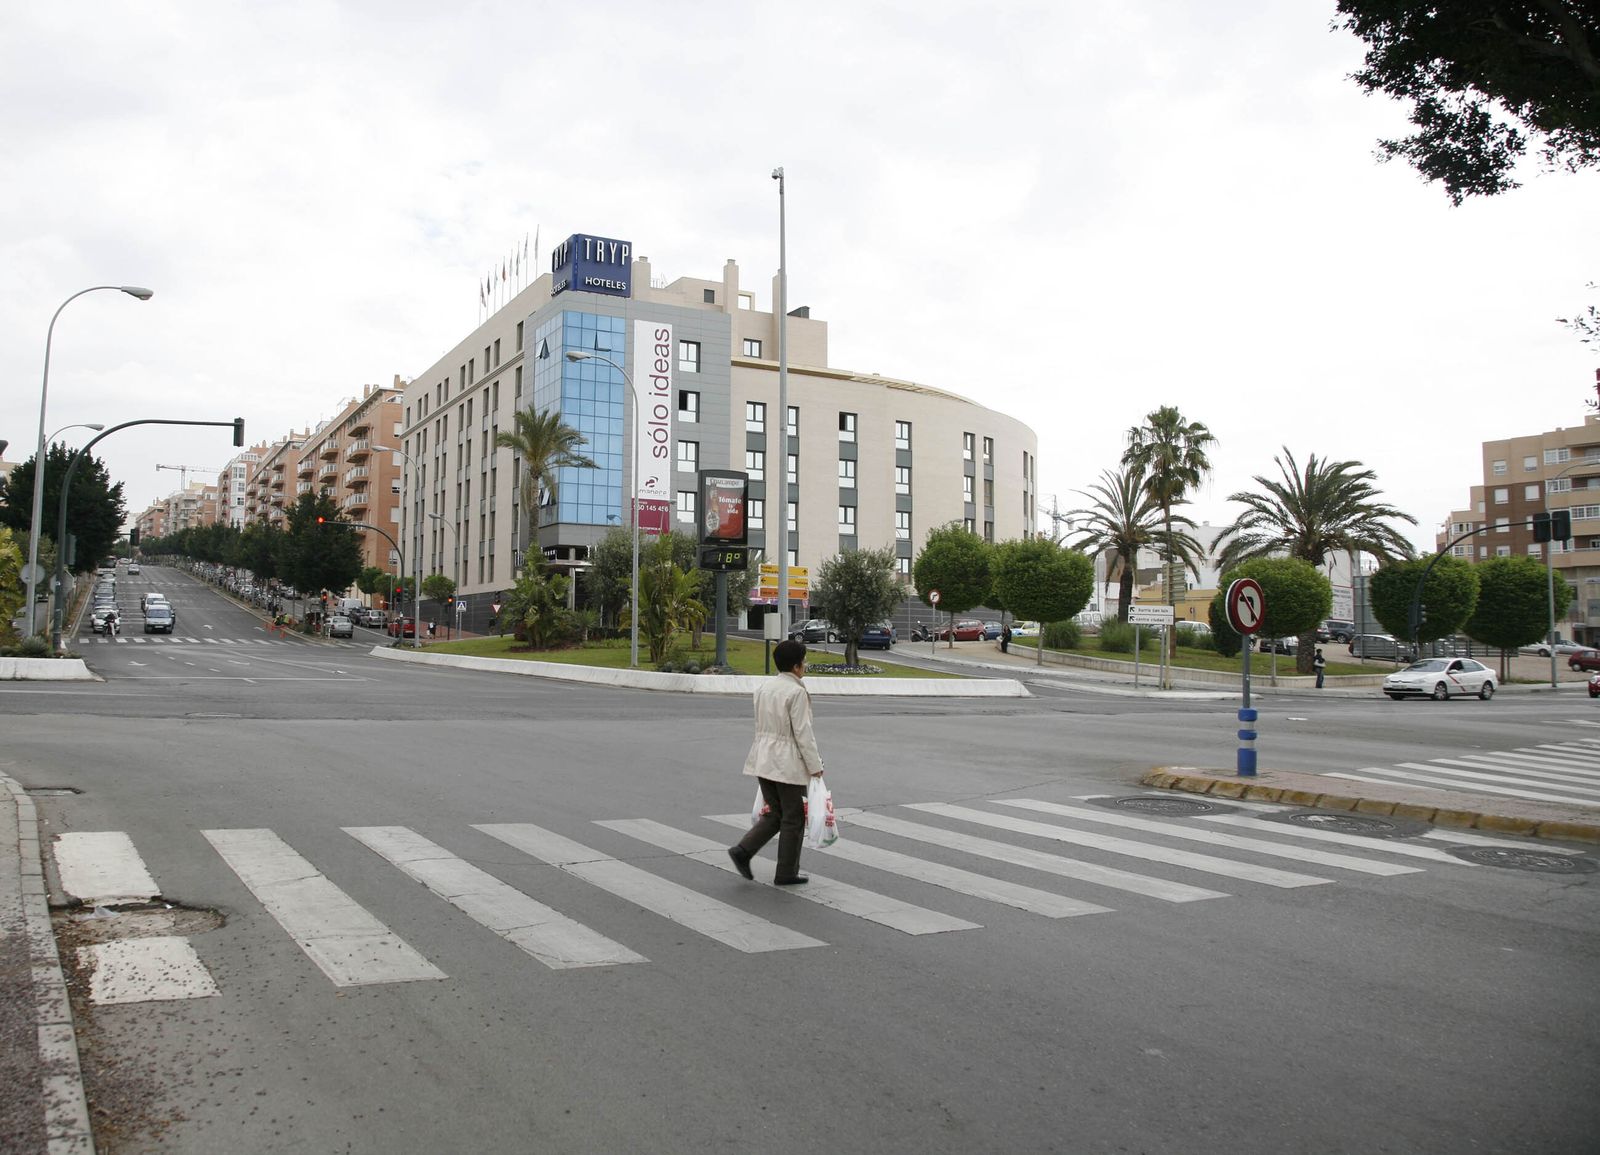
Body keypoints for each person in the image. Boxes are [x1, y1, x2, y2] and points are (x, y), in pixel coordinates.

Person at [728, 638, 826, 885]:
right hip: (786, 763)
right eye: (804, 661)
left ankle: (743, 850)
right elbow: (803, 733)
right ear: (796, 666)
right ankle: (786, 872)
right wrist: (815, 766)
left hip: (763, 758)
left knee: (775, 813)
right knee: (793, 817)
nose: (805, 666)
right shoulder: (796, 691)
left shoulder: (764, 688)